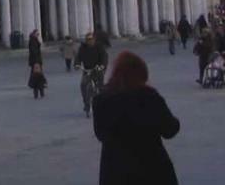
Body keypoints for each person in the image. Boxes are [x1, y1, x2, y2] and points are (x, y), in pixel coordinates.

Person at [92, 51, 180, 185]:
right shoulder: (149, 97)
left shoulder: (101, 100)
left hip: (115, 171)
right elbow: (170, 130)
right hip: (151, 168)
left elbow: (100, 134)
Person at [74, 32, 108, 116]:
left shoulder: (99, 47)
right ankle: (86, 103)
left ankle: (103, 103)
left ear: (94, 39)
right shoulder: (83, 48)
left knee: (100, 87)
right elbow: (78, 57)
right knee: (83, 85)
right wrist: (77, 64)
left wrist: (102, 66)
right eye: (88, 40)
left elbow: (104, 57)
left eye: (91, 39)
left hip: (97, 69)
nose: (89, 41)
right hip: (87, 70)